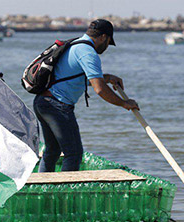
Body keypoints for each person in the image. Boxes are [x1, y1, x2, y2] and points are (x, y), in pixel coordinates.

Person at [33, 19, 140, 172]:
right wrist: (124, 103)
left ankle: (44, 192)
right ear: (103, 37)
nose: (106, 47)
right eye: (109, 42)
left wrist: (107, 77)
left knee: (52, 151)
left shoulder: (75, 45)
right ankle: (66, 194)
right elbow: (100, 89)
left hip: (43, 102)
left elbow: (72, 77)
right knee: (74, 153)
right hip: (57, 106)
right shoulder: (88, 53)